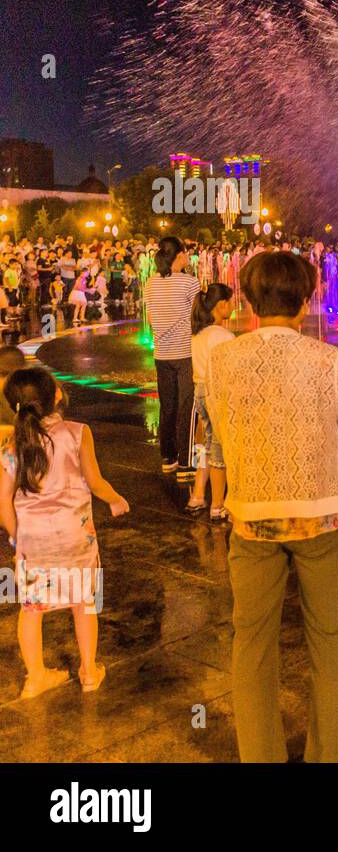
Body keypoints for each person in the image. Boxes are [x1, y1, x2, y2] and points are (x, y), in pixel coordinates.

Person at [206, 251, 338, 763]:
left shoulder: (221, 359)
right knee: (329, 636)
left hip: (252, 518)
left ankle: (260, 755)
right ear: (306, 299)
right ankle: (335, 753)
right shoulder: (328, 360)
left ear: (250, 300)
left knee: (251, 642)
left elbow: (221, 429)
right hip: (322, 517)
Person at [0, 368, 129, 699]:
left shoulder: (12, 446)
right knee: (84, 603)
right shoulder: (77, 432)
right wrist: (115, 499)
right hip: (77, 537)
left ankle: (36, 677)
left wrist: (19, 539)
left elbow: (3, 501)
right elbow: (95, 480)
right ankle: (88, 671)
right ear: (55, 396)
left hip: (34, 541)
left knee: (31, 610)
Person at [142, 237, 201, 475]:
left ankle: (167, 457)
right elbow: (198, 317)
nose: (188, 257)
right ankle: (186, 461)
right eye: (186, 253)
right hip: (185, 352)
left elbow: (153, 317)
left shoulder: (150, 283)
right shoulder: (190, 283)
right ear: (179, 255)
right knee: (187, 406)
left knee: (168, 406)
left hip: (162, 354)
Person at [186, 283, 235, 520]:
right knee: (218, 449)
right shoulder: (223, 336)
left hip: (199, 391)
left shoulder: (198, 334)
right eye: (232, 302)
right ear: (221, 305)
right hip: (216, 393)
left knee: (202, 442)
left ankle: (197, 494)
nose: (234, 306)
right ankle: (218, 505)